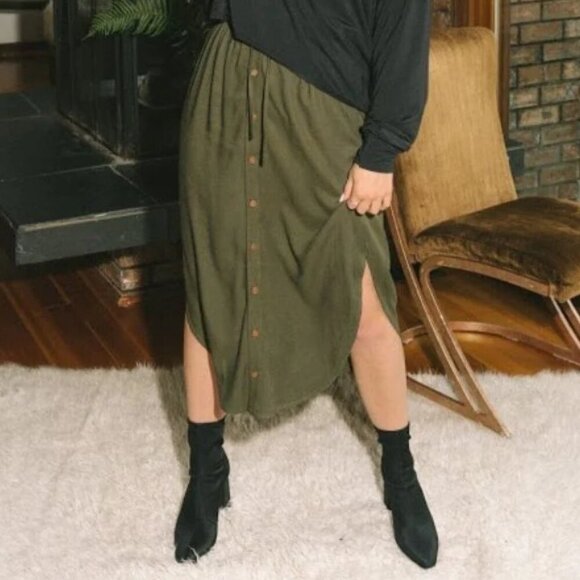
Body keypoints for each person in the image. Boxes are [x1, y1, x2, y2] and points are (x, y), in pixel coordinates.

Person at [174, 0, 438, 569]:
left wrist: (381, 151)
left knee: (364, 303)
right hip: (226, 88)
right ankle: (206, 472)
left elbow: (404, 27)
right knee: (212, 289)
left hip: (327, 118)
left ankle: (401, 474)